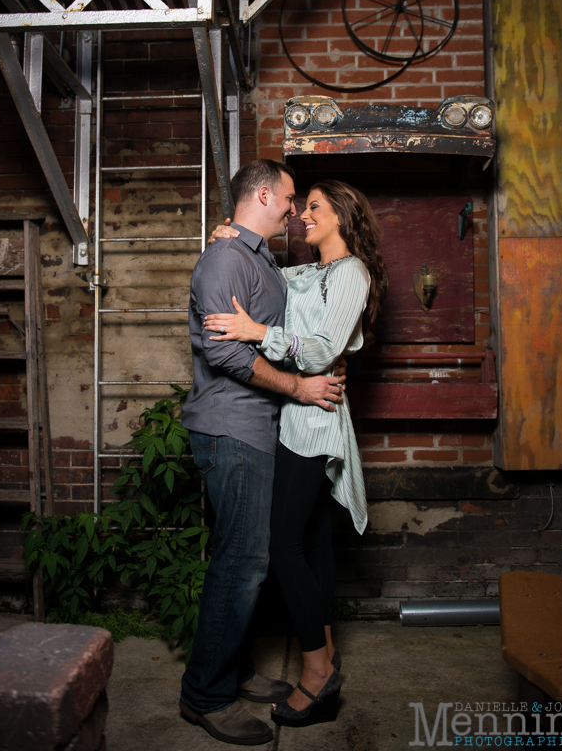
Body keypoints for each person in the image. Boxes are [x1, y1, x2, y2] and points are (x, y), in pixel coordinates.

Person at [204, 180, 386, 729]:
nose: (302, 215)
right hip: (292, 417)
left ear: (342, 216)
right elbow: (257, 279)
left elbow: (326, 349)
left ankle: (315, 674)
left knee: (283, 544)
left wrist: (257, 331)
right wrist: (225, 238)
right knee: (309, 542)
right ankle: (326, 653)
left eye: (313, 207)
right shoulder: (303, 273)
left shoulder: (352, 272)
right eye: (300, 205)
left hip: (316, 420)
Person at [179, 159, 347, 747]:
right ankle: (206, 695)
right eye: (291, 197)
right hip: (232, 430)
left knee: (247, 559)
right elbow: (224, 354)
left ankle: (232, 672)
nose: (295, 209)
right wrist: (298, 386)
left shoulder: (254, 257)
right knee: (243, 563)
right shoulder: (229, 258)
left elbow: (306, 310)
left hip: (257, 429)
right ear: (266, 193)